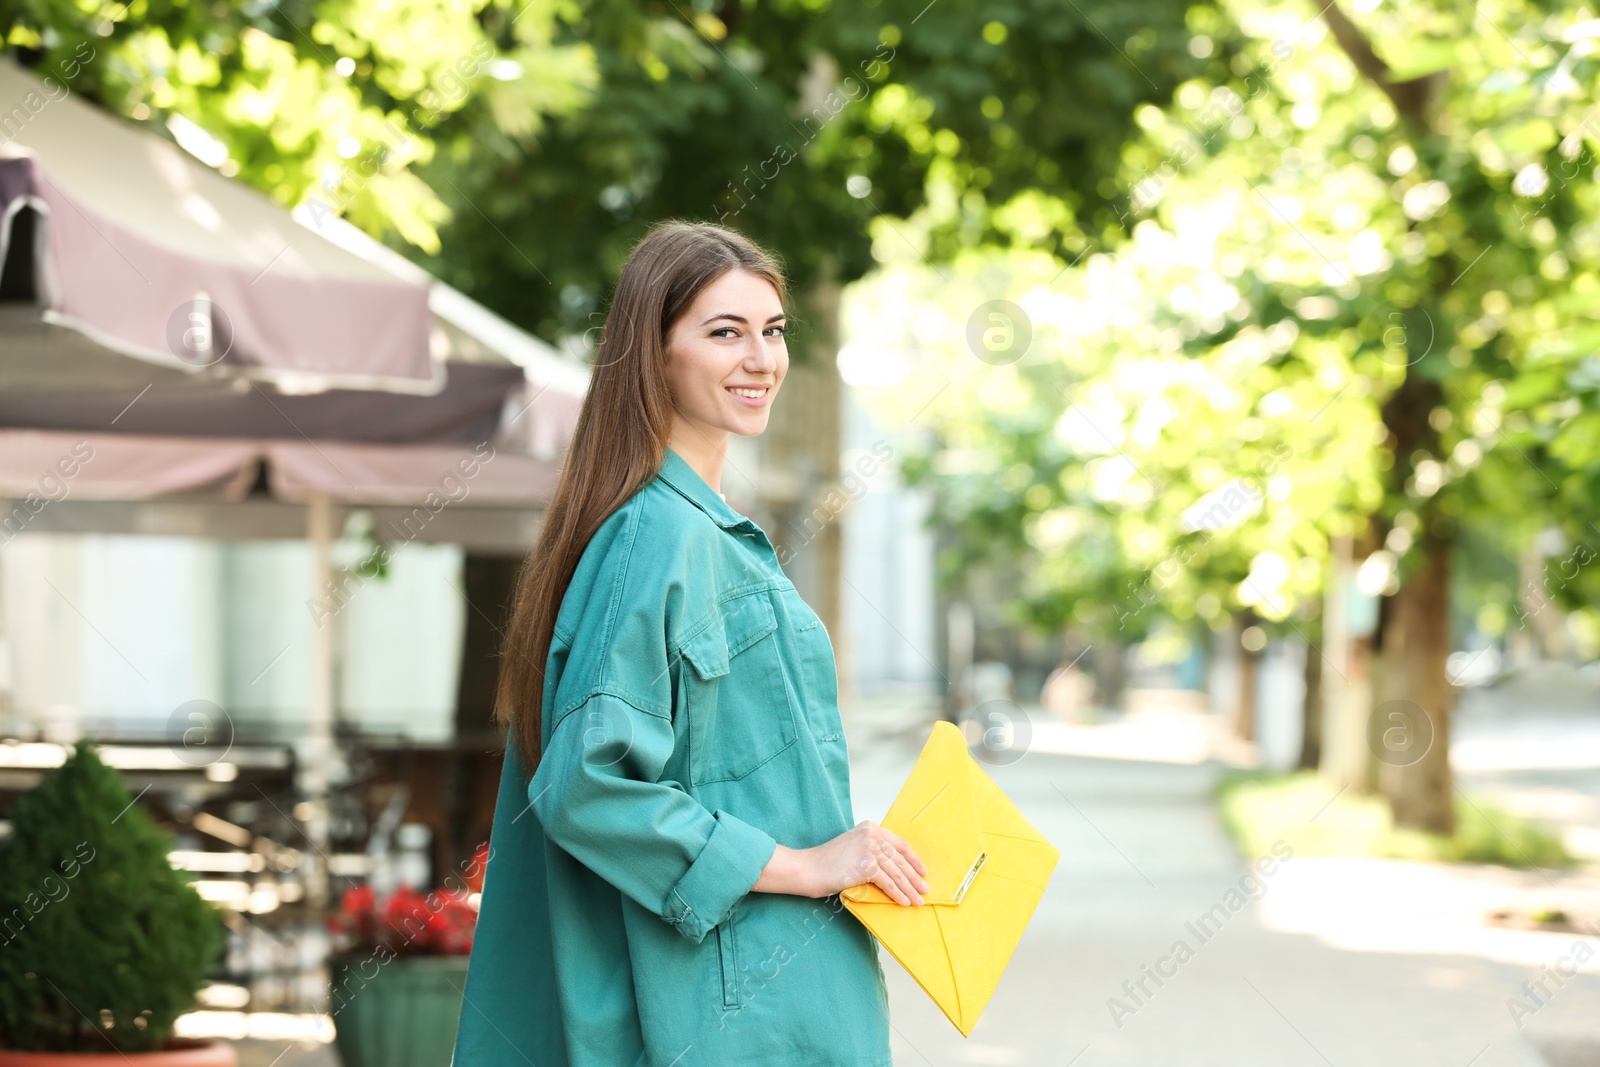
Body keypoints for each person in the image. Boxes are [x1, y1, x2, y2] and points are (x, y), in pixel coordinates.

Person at [451, 221, 930, 1067]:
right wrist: (805, 864)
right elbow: (586, 786)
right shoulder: (652, 540)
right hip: (711, 1017)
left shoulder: (713, 535)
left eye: (772, 331)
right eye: (724, 332)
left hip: (781, 1000)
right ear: (654, 351)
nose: (761, 359)